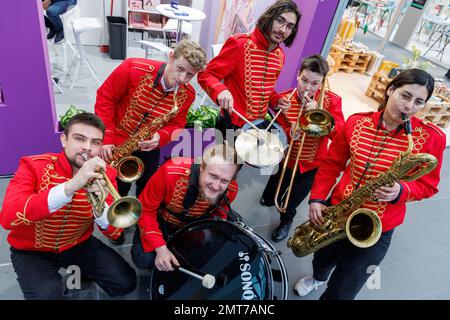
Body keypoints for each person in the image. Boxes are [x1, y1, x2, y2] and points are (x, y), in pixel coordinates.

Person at [295, 68, 446, 300]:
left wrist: (401, 191)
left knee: (343, 291)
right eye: (405, 96)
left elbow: (429, 185)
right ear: (390, 90)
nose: (409, 107)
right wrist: (317, 198)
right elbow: (331, 164)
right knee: (321, 259)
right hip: (337, 210)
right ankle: (318, 277)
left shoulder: (431, 138)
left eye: (418, 102)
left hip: (377, 227)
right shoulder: (356, 123)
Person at [0, 113, 137, 299]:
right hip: (32, 250)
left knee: (125, 283)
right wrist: (71, 185)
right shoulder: (33, 165)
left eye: (95, 142)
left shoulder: (106, 174)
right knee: (47, 296)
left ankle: (79, 272)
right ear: (64, 140)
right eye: (80, 139)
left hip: (78, 243)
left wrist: (101, 203)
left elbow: (114, 232)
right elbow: (8, 218)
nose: (87, 148)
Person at [95, 40, 207, 198]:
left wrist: (160, 138)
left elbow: (177, 125)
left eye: (190, 75)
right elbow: (105, 98)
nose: (182, 78)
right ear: (171, 57)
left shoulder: (187, 94)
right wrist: (106, 137)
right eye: (180, 69)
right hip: (116, 142)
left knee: (147, 188)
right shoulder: (133, 67)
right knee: (114, 188)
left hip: (149, 147)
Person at [259, 55, 345, 242]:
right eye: (304, 80)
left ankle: (286, 221)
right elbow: (276, 135)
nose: (308, 88)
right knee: (270, 194)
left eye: (315, 84)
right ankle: (269, 196)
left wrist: (321, 114)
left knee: (288, 204)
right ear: (298, 75)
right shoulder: (285, 99)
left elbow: (339, 136)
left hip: (311, 165)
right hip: (285, 160)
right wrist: (290, 134)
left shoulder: (332, 102)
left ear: (321, 83)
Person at [197, 0, 301, 138]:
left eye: (289, 26)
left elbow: (264, 90)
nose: (283, 29)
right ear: (270, 17)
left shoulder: (280, 56)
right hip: (231, 126)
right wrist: (221, 90)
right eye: (280, 21)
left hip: (256, 128)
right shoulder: (240, 44)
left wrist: (277, 100)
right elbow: (206, 74)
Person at [131, 144, 240, 271]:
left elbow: (219, 214)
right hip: (161, 220)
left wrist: (204, 235)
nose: (216, 186)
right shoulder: (170, 172)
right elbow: (145, 209)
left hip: (195, 225)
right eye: (213, 176)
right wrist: (160, 248)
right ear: (202, 167)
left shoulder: (231, 189)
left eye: (224, 181)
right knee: (144, 260)